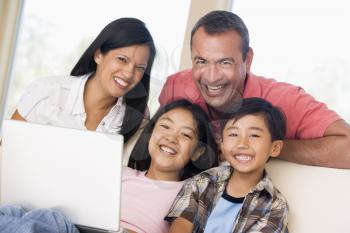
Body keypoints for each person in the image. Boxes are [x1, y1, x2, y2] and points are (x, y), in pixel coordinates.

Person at [158, 10, 350, 168]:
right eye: (201, 61)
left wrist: (267, 145)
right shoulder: (176, 87)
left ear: (247, 60)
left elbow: (347, 148)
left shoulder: (284, 99)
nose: (211, 77)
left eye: (224, 62)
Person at [11, 17, 156, 143]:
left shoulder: (138, 116)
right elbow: (6, 150)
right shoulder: (48, 92)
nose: (129, 73)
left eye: (140, 68)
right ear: (98, 55)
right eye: (122, 59)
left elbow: (129, 173)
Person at [165, 97, 288, 233]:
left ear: (275, 148)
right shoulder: (202, 181)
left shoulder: (276, 206)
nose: (242, 143)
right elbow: (180, 227)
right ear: (222, 144)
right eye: (233, 134)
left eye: (254, 135)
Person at [120, 99, 218, 233]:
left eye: (185, 134)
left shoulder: (192, 194)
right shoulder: (120, 174)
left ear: (197, 152)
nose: (171, 138)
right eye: (165, 126)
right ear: (150, 134)